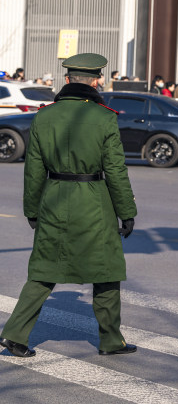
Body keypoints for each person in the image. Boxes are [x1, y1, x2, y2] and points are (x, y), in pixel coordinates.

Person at [0, 53, 137, 358]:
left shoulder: (44, 116)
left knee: (43, 270)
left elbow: (33, 169)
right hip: (95, 201)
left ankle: (15, 334)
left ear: (66, 80)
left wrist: (32, 210)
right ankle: (112, 341)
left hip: (55, 198)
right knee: (106, 271)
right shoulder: (105, 117)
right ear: (96, 81)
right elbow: (115, 170)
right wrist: (127, 212)